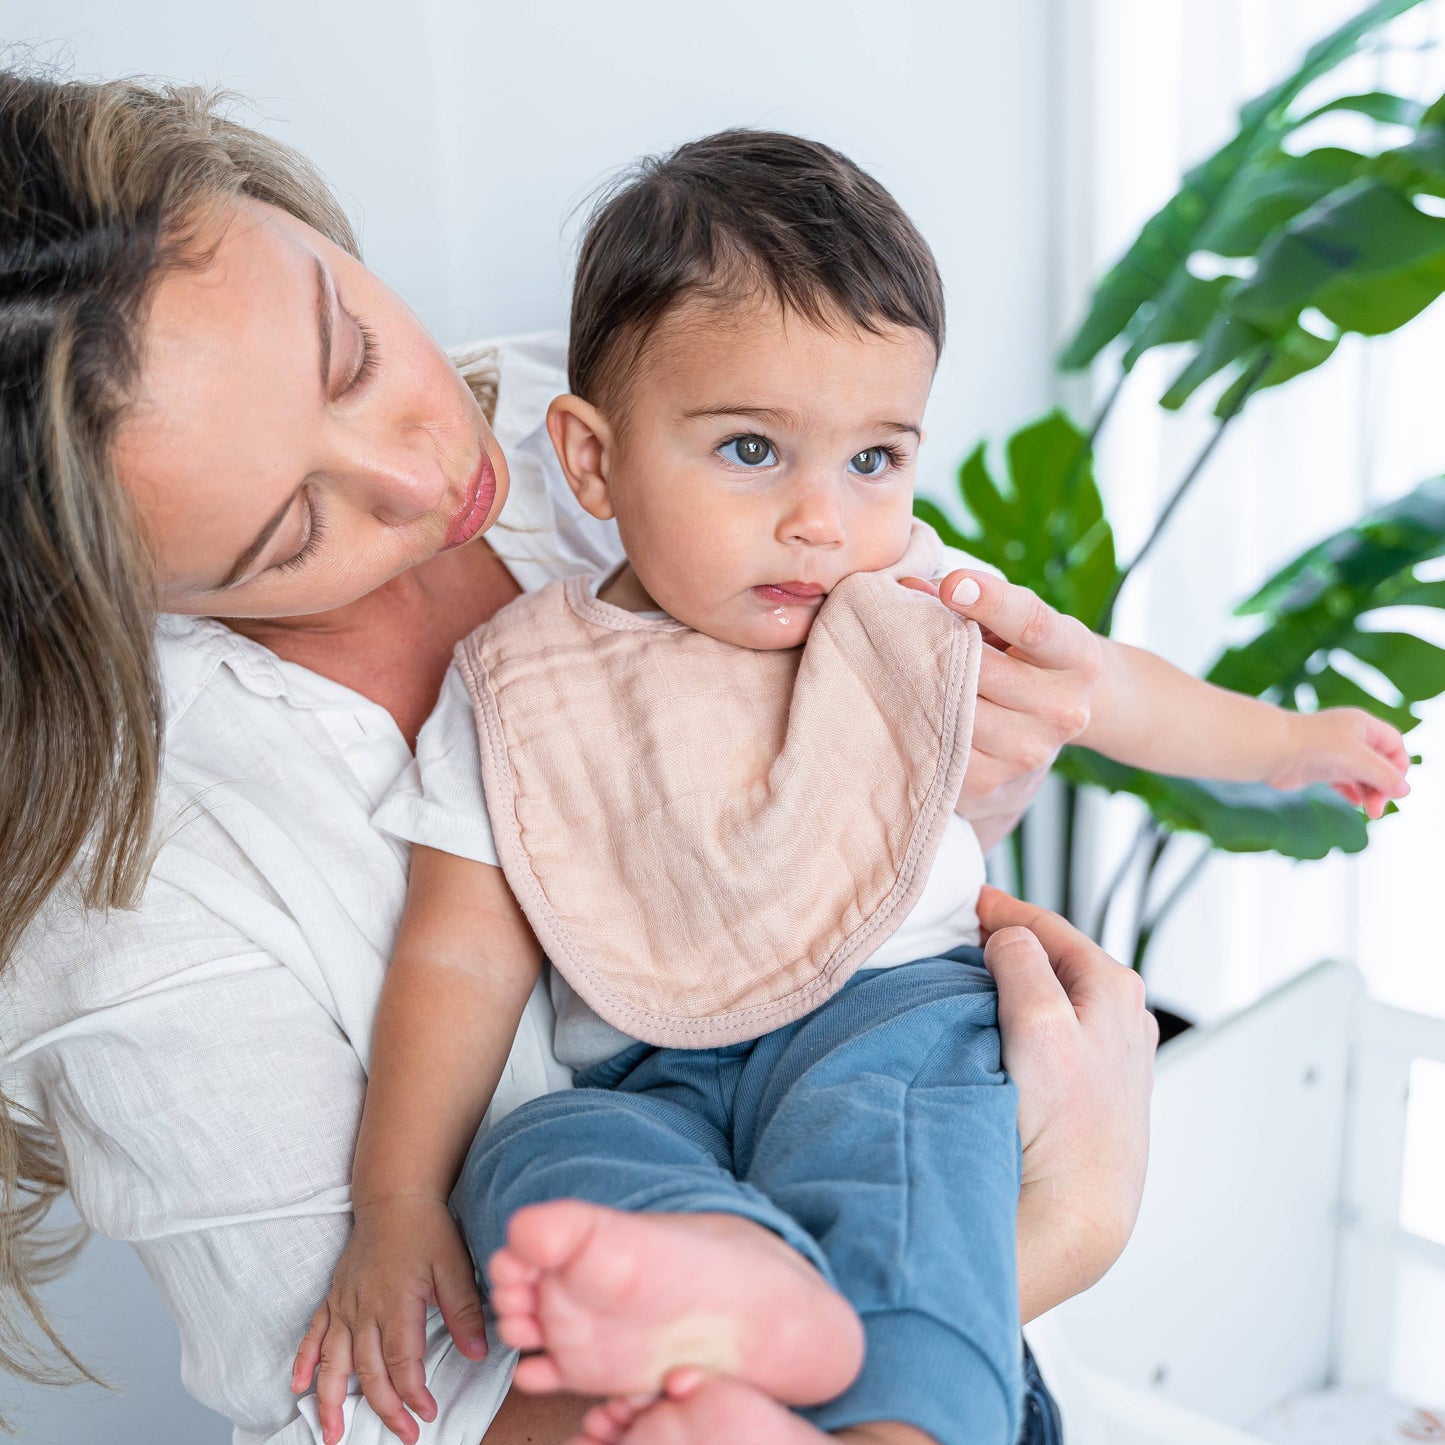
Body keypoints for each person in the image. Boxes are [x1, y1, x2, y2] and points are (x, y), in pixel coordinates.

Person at [1, 74, 1154, 1445]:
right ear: (109, 593)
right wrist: (1061, 1225)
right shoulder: (126, 893)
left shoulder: (596, 421)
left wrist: (1006, 762)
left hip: (899, 1140)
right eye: (291, 532)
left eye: (354, 353)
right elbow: (385, 1409)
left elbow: (933, 709)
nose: (429, 476)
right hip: (835, 1358)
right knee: (516, 1164)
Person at [293, 133, 1410, 1445]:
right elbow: (459, 958)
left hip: (886, 1010)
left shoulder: (905, 596)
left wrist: (1277, 744)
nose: (822, 518)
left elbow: (1101, 684)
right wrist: (395, 1201)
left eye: (873, 459)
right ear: (593, 461)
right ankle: (741, 1300)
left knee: (900, 1181)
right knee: (534, 1171)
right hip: (647, 1072)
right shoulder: (524, 685)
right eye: (753, 449)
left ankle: (901, 1427)